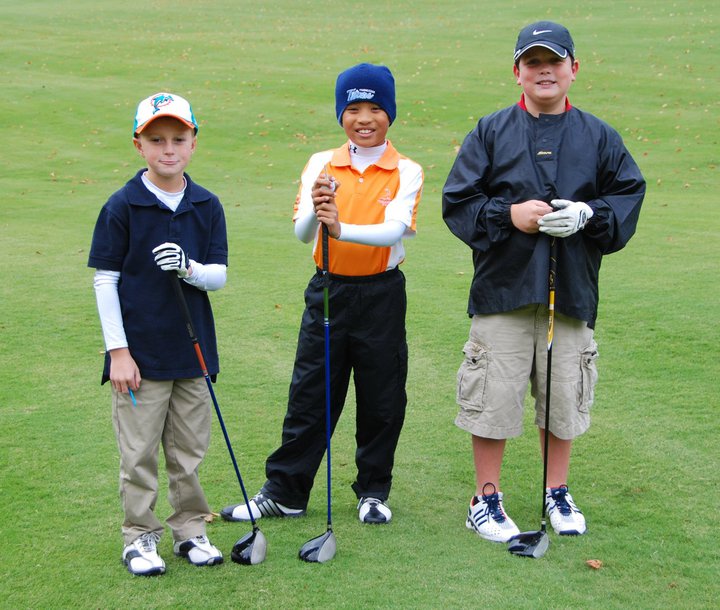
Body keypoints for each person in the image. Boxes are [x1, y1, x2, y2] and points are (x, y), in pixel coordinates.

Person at [442, 22, 645, 543]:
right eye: (533, 63)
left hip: (571, 290)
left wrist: (588, 215)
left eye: (554, 62)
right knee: (493, 398)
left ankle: (557, 491)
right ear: (517, 73)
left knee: (562, 396)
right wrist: (508, 215)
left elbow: (626, 196)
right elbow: (458, 202)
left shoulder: (600, 136)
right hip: (504, 290)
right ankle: (485, 499)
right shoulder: (490, 131)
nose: (544, 71)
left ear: (573, 69)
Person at [222, 63, 423, 525]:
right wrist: (318, 210)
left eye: (375, 107)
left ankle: (373, 491)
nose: (364, 117)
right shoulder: (320, 162)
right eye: (353, 108)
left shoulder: (406, 170)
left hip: (381, 293)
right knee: (311, 392)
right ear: (341, 114)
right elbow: (301, 233)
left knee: (382, 396)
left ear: (390, 113)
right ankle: (286, 491)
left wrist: (341, 225)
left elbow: (395, 230)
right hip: (328, 289)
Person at [88, 92, 229, 575]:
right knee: (139, 453)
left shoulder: (206, 204)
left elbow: (218, 275)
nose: (168, 149)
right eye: (156, 139)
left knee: (188, 453)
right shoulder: (122, 205)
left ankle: (191, 530)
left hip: (192, 353)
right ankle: (139, 537)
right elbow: (105, 280)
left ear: (193, 142)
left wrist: (189, 268)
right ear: (139, 145)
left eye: (178, 138)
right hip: (139, 357)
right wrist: (118, 353)